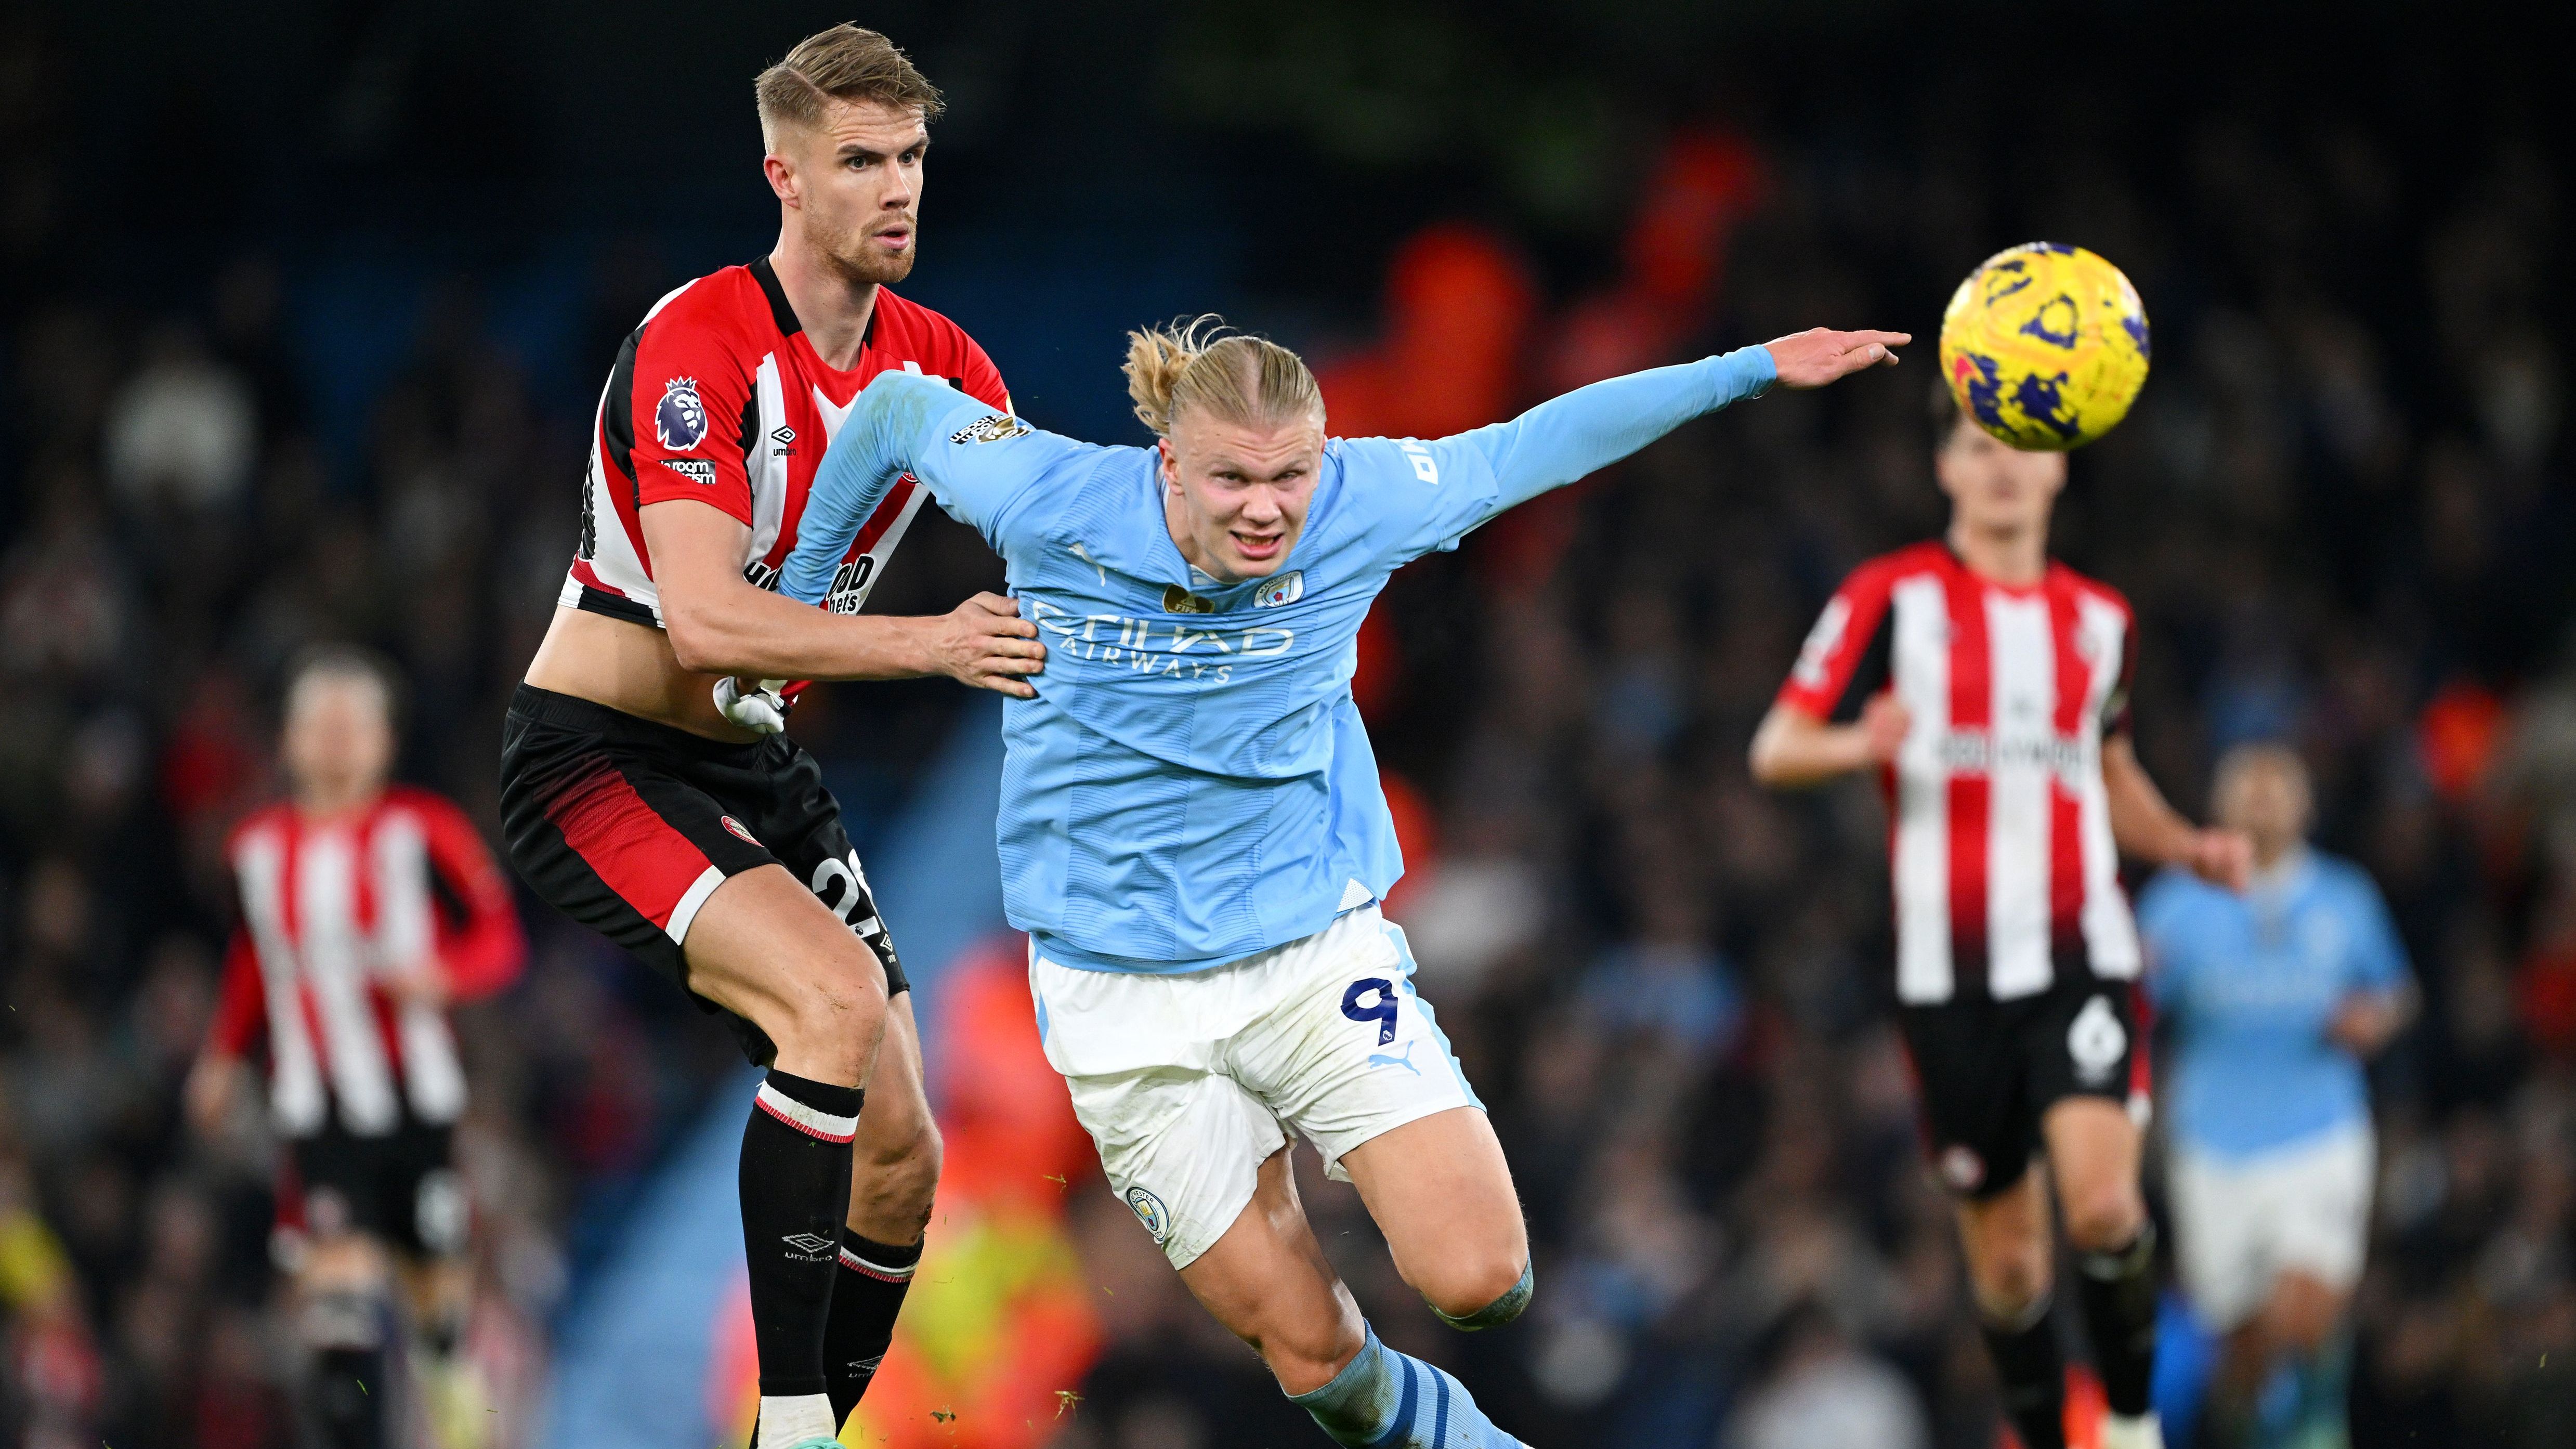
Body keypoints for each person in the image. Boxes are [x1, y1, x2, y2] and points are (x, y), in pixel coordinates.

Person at [783, 314, 1908, 1446]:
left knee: (1483, 1276)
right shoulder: (1052, 494)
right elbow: (893, 411)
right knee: (1312, 1352)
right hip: (1120, 1006)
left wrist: (1752, 368)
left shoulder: (1361, 500)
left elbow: (1541, 442)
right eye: (1233, 478)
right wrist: (808, 603)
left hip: (1305, 958)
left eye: (1291, 474)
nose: (1268, 508)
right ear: (1168, 463)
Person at [495, 25, 1045, 1449]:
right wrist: (930, 642)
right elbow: (702, 623)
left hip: (752, 768)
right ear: (784, 175)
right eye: (859, 159)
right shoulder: (701, 340)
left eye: (911, 156)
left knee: (906, 1162)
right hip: (603, 755)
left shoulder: (943, 363)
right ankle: (794, 1422)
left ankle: (796, 1429)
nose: (896, 187)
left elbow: (1061, 531)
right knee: (833, 1006)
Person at [1745, 383, 2254, 1449]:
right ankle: (2038, 1426)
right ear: (1946, 469)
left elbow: (2110, 774)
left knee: (2108, 1204)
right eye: (1978, 446)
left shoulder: (2100, 621)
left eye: (2024, 448)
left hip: (2082, 950)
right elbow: (1777, 745)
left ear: (2059, 468)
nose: (2003, 466)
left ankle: (2127, 1419)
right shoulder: (1890, 598)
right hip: (1951, 982)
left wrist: (2187, 842)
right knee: (2012, 1269)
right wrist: (1859, 744)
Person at [187, 649, 528, 1449]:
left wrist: (442, 976)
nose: (337, 743)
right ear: (290, 741)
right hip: (318, 1105)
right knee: (336, 1304)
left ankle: (453, 1400)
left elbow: (501, 940)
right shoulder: (256, 849)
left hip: (419, 1101)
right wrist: (223, 1055)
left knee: (437, 1305)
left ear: (383, 741)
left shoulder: (427, 831)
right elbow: (255, 959)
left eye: (353, 726)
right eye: (321, 725)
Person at [2138, 744, 2413, 1448]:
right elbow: (2135, 1005)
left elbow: (2396, 991)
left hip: (2319, 1131)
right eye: (2247, 786)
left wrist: (2371, 1021)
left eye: (2277, 786)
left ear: (2307, 806)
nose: (2261, 798)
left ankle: (2319, 1425)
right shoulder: (2177, 904)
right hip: (2212, 1143)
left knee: (2308, 1304)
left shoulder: (2345, 898)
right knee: (2245, 1342)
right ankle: (2256, 1431)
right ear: (2218, 805)